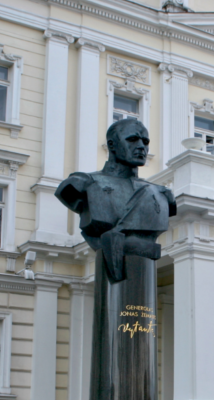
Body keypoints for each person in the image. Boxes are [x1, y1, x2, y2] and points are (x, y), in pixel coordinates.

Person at [55, 116, 177, 282]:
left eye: (145, 142)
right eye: (132, 140)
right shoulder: (82, 183)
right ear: (112, 145)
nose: (141, 147)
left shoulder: (162, 194)